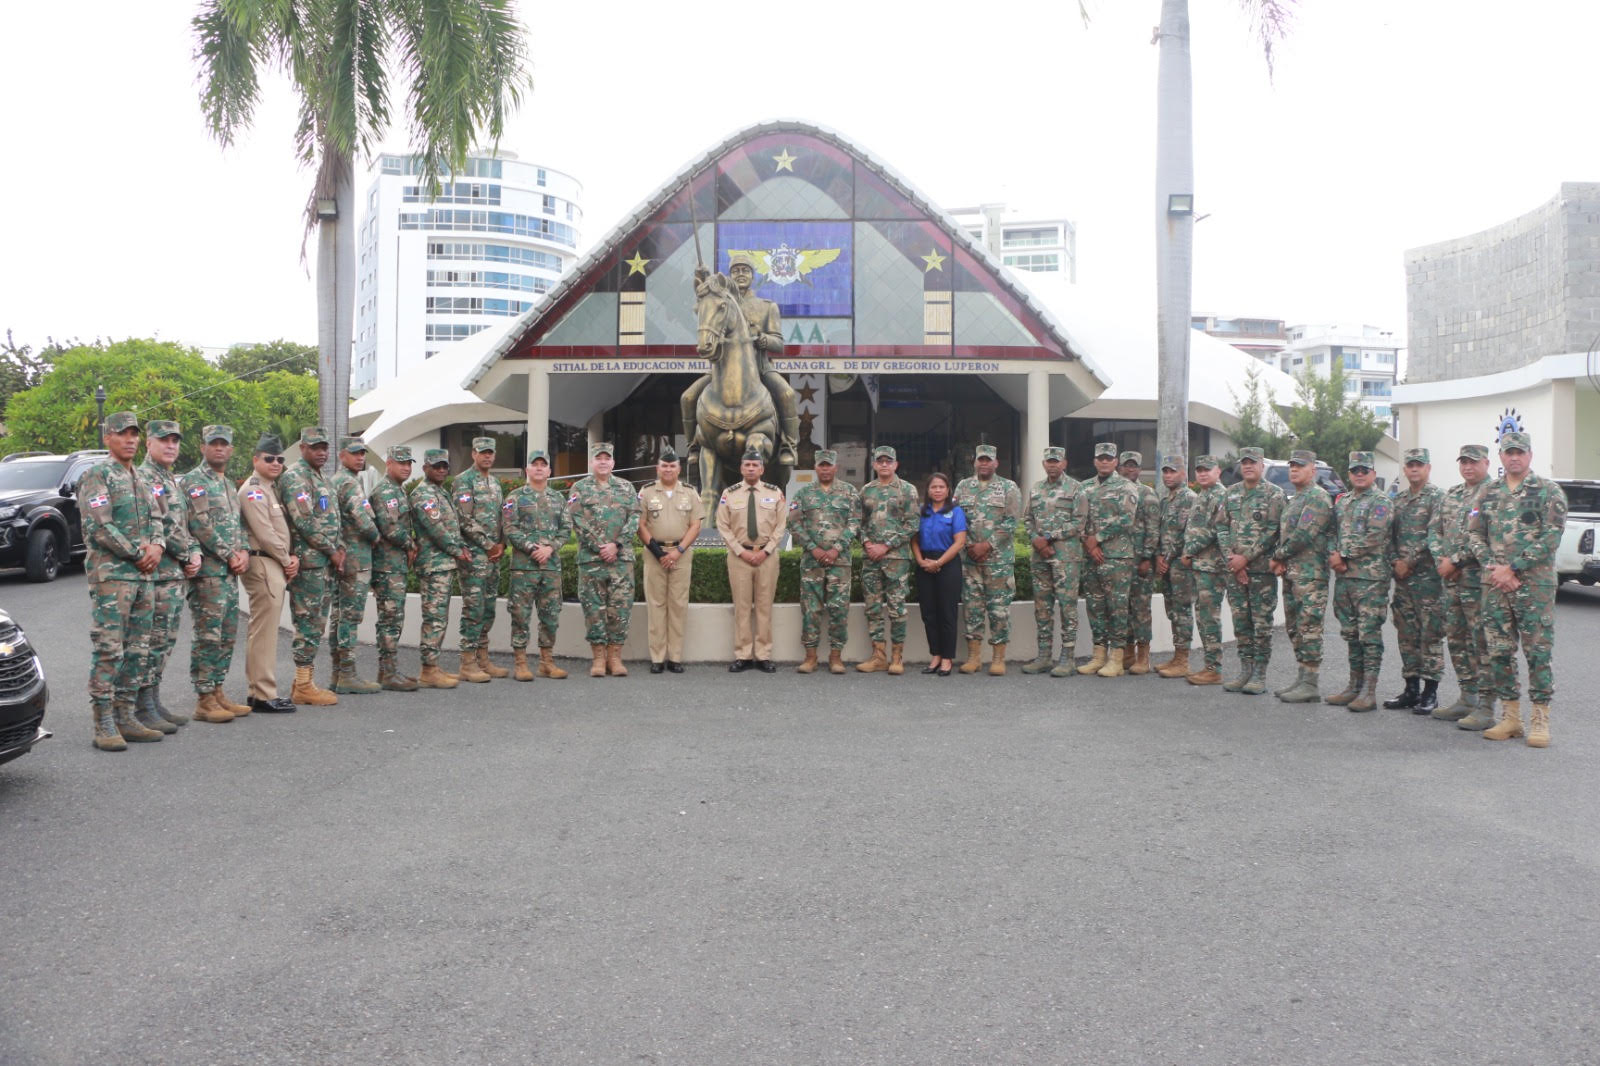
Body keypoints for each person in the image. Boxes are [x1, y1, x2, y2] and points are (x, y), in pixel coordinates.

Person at [1469, 431, 1566, 747]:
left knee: (1537, 652)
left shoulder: (1549, 492)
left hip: (1533, 585)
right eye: (1508, 452)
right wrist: (1495, 568)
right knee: (1499, 651)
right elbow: (1474, 535)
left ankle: (1540, 719)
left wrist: (1513, 568)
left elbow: (1551, 537)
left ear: (1529, 456)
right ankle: (1510, 718)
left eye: (1519, 452)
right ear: (1500, 457)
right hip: (1495, 585)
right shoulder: (1487, 492)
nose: (1514, 457)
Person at [80, 411, 162, 749]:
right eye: (122, 434)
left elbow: (158, 515)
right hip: (113, 576)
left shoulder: (140, 478)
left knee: (138, 649)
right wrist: (136, 552)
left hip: (143, 577)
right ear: (107, 438)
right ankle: (104, 722)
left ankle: (127, 715)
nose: (130, 439)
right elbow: (100, 525)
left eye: (134, 434)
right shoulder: (97, 475)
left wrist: (157, 545)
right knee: (110, 648)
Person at [683, 253, 801, 466]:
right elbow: (707, 304)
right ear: (730, 275)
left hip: (760, 369)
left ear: (752, 275)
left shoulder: (767, 306)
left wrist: (764, 339)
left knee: (787, 394)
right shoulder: (722, 300)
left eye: (745, 270)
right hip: (722, 372)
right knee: (688, 398)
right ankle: (694, 443)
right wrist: (704, 277)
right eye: (736, 270)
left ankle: (788, 444)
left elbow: (779, 343)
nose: (740, 274)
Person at [182, 424, 252, 723]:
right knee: (207, 636)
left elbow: (238, 524)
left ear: (231, 449)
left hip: (229, 572)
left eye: (224, 444)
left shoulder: (228, 484)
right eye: (214, 444)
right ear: (203, 447)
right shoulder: (194, 481)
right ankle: (204, 698)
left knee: (226, 634)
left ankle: (219, 690)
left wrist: (245, 550)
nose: (219, 448)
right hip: (209, 573)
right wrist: (229, 554)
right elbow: (199, 524)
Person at [137, 419, 202, 733]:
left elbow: (183, 524)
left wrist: (193, 550)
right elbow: (160, 524)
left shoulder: (171, 479)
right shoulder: (146, 477)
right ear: (149, 443)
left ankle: (154, 699)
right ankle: (142, 705)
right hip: (158, 575)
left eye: (175, 440)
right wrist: (187, 552)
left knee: (164, 642)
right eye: (164, 440)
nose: (171, 446)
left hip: (175, 574)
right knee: (150, 642)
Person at [277, 426, 344, 705]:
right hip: (310, 563)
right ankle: (303, 685)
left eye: (324, 447)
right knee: (307, 623)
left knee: (317, 623)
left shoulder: (320, 477)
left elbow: (331, 518)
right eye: (315, 447)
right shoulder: (295, 476)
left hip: (324, 562)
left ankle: (304, 682)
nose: (321, 452)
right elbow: (304, 521)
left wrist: (338, 548)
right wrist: (332, 550)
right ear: (302, 447)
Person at [1428, 444, 1493, 727]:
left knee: (1483, 644)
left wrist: (1455, 561)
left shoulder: (1494, 494)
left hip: (1478, 582)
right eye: (1464, 462)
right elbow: (1434, 530)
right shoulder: (1452, 494)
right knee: (1456, 640)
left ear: (1486, 463)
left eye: (1473, 462)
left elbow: (1488, 538)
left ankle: (1487, 706)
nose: (1468, 467)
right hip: (1451, 582)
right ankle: (1467, 697)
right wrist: (1441, 559)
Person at [237, 435, 299, 714]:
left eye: (280, 459)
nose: (276, 463)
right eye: (269, 458)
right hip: (264, 563)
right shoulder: (253, 491)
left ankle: (259, 691)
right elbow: (264, 533)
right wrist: (287, 560)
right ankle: (263, 694)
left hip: (272, 563)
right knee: (264, 632)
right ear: (255, 460)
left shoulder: (269, 489)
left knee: (264, 631)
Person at [1214, 447, 1284, 695]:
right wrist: (1232, 560)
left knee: (1261, 624)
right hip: (1235, 570)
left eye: (1253, 462)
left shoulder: (1274, 495)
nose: (1248, 466)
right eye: (1244, 463)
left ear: (1262, 465)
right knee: (1241, 622)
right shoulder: (1230, 494)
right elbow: (1221, 528)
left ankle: (1259, 674)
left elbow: (1273, 532)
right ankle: (1245, 669)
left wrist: (1246, 558)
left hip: (1261, 573)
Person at [1329, 451, 1394, 711]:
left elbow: (1375, 535)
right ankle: (1353, 686)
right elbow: (1333, 533)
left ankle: (1369, 691)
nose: (1359, 474)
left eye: (1364, 470)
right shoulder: (1343, 502)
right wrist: (1334, 554)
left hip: (1370, 579)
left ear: (1373, 474)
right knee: (1351, 633)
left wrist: (1343, 554)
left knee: (1369, 635)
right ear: (1349, 474)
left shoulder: (1381, 501)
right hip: (1345, 577)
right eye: (1355, 470)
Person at [568, 442, 640, 677]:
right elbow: (577, 520)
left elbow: (635, 518)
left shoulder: (626, 488)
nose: (602, 462)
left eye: (606, 458)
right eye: (598, 458)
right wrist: (600, 547)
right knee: (594, 610)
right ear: (592, 462)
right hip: (591, 559)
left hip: (621, 559)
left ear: (613, 462)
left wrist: (616, 545)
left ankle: (615, 657)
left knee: (620, 608)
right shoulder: (579, 488)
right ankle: (598, 658)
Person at [1383, 447, 1446, 713]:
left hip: (1428, 580)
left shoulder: (1438, 498)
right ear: (1405, 469)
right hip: (1404, 581)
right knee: (1406, 634)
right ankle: (1411, 689)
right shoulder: (1398, 500)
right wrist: (1395, 560)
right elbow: (1387, 535)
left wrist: (1409, 561)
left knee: (1430, 635)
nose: (1414, 469)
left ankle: (1431, 693)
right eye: (1410, 465)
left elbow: (1434, 535)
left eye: (1419, 464)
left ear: (1428, 468)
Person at [1269, 450, 1334, 702]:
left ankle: (1311, 682)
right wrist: (1282, 559)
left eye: (1300, 466)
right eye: (1292, 466)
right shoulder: (1295, 498)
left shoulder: (1317, 498)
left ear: (1313, 470)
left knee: (1309, 627)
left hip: (1311, 575)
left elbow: (1303, 535)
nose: (1294, 470)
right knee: (1295, 627)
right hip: (1293, 574)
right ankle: (1301, 676)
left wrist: (1278, 556)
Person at [953, 444, 1022, 676]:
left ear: (996, 463)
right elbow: (955, 518)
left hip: (998, 561)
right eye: (980, 459)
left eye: (988, 460)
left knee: (999, 610)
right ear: (975, 462)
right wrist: (968, 545)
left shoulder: (1008, 487)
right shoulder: (963, 486)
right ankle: (974, 657)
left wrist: (987, 545)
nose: (984, 463)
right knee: (972, 609)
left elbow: (1012, 521)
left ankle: (998, 658)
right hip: (970, 560)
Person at [789, 448, 860, 674]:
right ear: (816, 468)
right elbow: (793, 523)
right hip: (812, 562)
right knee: (811, 609)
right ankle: (810, 656)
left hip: (840, 562)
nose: (825, 469)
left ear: (836, 467)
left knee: (839, 609)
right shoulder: (803, 494)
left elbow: (855, 523)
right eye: (822, 465)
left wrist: (836, 549)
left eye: (829, 465)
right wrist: (813, 548)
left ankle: (835, 656)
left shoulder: (849, 492)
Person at [716, 448, 787, 672]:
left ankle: (763, 655)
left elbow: (781, 526)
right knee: (742, 607)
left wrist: (765, 551)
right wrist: (741, 551)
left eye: (755, 465)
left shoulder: (775, 493)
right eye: (747, 465)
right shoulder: (730, 493)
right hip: (740, 557)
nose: (750, 468)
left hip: (767, 556)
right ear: (741, 468)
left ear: (762, 469)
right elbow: (723, 526)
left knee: (765, 608)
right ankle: (743, 655)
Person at [502, 449, 572, 680]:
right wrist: (533, 548)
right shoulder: (514, 497)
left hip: (550, 567)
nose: (540, 468)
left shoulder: (558, 498)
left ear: (550, 470)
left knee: (550, 615)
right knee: (520, 615)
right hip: (524, 568)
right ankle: (521, 663)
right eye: (535, 464)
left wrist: (550, 548)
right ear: (527, 470)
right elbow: (510, 528)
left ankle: (546, 661)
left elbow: (566, 528)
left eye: (544, 464)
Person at [1022, 445, 1089, 677]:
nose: (1052, 465)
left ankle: (1067, 658)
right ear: (1043, 464)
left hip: (1066, 558)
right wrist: (1035, 540)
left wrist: (1049, 538)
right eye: (1049, 461)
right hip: (1039, 558)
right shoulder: (1036, 488)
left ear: (1064, 463)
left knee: (1067, 607)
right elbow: (1028, 519)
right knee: (1042, 607)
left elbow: (1079, 524)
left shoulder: (1076, 489)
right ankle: (1043, 656)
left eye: (1056, 461)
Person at [1078, 442, 1141, 678]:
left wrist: (1099, 538)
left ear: (1116, 462)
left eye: (1109, 458)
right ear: (1095, 461)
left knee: (1117, 608)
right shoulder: (1084, 487)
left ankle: (1117, 657)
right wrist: (1088, 542)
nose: (1104, 462)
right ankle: (1098, 655)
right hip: (1091, 556)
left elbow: (1127, 518)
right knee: (1095, 607)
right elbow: (1078, 519)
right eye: (1100, 458)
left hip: (1117, 556)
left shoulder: (1126, 487)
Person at [857, 445, 920, 675]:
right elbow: (858, 523)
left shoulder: (908, 490)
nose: (884, 464)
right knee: (873, 608)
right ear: (874, 464)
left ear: (896, 465)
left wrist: (886, 545)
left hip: (896, 559)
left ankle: (897, 657)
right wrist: (867, 544)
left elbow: (912, 524)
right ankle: (878, 656)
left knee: (897, 609)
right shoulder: (865, 491)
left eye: (888, 461)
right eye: (880, 461)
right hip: (871, 558)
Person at [411, 449, 471, 687]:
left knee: (440, 617)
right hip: (433, 564)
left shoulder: (440, 492)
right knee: (434, 617)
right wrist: (458, 550)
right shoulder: (423, 493)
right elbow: (436, 528)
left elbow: (451, 527)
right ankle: (428, 670)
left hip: (444, 564)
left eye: (444, 466)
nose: (441, 470)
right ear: (425, 468)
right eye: (436, 466)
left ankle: (433, 666)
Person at [638, 447, 701, 673]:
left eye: (672, 465)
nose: (668, 469)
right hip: (655, 554)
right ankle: (657, 657)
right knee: (656, 606)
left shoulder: (690, 492)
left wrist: (678, 551)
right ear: (657, 468)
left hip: (681, 555)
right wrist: (659, 552)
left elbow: (696, 524)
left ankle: (675, 657)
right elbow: (640, 525)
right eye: (664, 465)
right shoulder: (646, 492)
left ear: (679, 468)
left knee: (678, 606)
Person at [328, 437, 381, 694]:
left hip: (344, 556)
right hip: (356, 558)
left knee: (339, 616)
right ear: (342, 456)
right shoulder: (349, 483)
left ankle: (338, 673)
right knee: (349, 617)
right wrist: (377, 536)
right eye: (355, 454)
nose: (360, 458)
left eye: (362, 454)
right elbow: (363, 519)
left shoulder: (336, 481)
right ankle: (347, 674)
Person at [454, 436, 507, 682]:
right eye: (482, 452)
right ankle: (467, 661)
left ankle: (483, 657)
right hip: (474, 556)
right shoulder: (463, 481)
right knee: (473, 608)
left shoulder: (495, 483)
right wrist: (488, 545)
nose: (487, 456)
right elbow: (464, 520)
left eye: (490, 453)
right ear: (473, 453)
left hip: (493, 557)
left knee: (488, 608)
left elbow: (502, 517)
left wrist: (502, 544)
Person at [368, 445, 419, 691]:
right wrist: (410, 544)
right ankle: (387, 673)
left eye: (409, 463)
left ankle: (390, 669)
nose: (406, 467)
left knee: (395, 619)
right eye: (401, 463)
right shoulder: (386, 491)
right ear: (388, 464)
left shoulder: (398, 490)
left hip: (395, 565)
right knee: (390, 619)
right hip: (386, 567)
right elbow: (390, 528)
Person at [1181, 456, 1230, 685]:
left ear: (1217, 471)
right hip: (1201, 565)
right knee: (1202, 615)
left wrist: (1189, 550)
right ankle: (1209, 665)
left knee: (1210, 616)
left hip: (1213, 566)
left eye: (1207, 470)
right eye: (1199, 470)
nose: (1202, 474)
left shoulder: (1220, 495)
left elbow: (1213, 530)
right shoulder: (1203, 495)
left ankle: (1214, 668)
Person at [913, 472, 968, 675]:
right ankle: (935, 654)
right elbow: (914, 539)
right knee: (929, 613)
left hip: (948, 564)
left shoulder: (955, 512)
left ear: (948, 490)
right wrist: (920, 560)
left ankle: (947, 658)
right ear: (927, 490)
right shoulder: (922, 511)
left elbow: (959, 542)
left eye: (941, 487)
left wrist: (938, 562)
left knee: (947, 613)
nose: (937, 490)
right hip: (924, 564)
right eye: (933, 487)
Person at [1154, 455, 1198, 678]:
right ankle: (1176, 655)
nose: (1168, 476)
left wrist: (1166, 558)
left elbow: (1183, 534)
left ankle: (1184, 660)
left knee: (1181, 611)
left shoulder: (1189, 498)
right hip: (1166, 564)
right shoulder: (1165, 500)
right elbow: (1161, 533)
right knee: (1172, 610)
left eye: (1173, 471)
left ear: (1183, 473)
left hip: (1180, 564)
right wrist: (1158, 557)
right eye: (1166, 471)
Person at [1119, 451, 1161, 674]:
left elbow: (1153, 530)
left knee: (1141, 609)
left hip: (1139, 562)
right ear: (1120, 468)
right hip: (1119, 561)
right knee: (1123, 608)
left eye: (1134, 466)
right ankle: (1127, 653)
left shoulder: (1148, 494)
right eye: (1126, 466)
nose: (1130, 470)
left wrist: (1146, 557)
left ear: (1139, 469)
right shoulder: (1115, 492)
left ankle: (1143, 655)